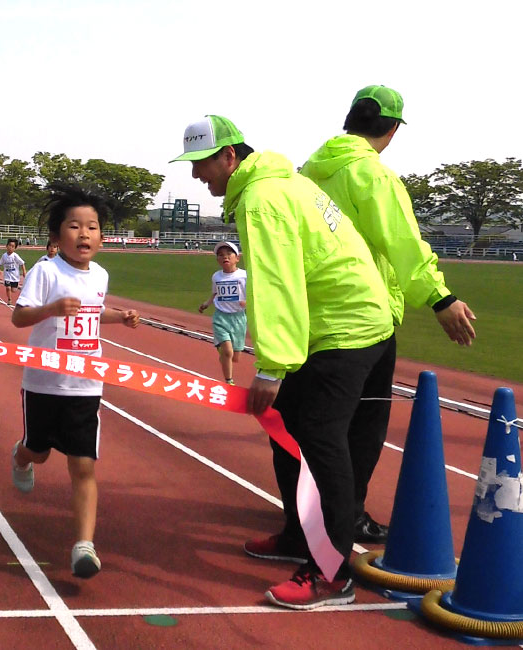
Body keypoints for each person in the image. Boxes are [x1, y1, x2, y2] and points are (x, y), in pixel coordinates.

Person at [173, 115, 393, 609]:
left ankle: (331, 572)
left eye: (202, 163)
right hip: (333, 323)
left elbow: (277, 284)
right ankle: (298, 534)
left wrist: (272, 368)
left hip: (345, 326)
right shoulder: (282, 182)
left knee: (320, 437)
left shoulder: (262, 199)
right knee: (285, 424)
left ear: (230, 156)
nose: (195, 175)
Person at [299, 85, 477, 543]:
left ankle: (306, 516)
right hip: (365, 315)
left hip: (311, 315)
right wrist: (440, 298)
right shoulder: (372, 175)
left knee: (316, 423)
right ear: (393, 129)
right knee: (362, 426)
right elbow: (402, 243)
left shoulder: (308, 172)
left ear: (349, 120)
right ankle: (343, 520)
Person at [10, 184, 140, 580]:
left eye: (92, 227)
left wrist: (120, 317)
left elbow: (93, 313)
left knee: (84, 465)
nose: (84, 234)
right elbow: (19, 317)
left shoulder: (100, 274)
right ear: (56, 235)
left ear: (101, 237)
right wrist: (50, 309)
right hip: (44, 383)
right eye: (74, 226)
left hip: (86, 385)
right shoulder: (46, 271)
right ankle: (21, 455)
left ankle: (84, 545)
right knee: (40, 452)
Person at [198, 241, 247, 385]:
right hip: (221, 317)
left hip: (239, 318)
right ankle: (229, 381)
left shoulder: (244, 275)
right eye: (220, 255)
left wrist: (247, 302)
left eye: (229, 254)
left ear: (237, 258)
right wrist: (207, 304)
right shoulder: (216, 277)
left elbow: (255, 293)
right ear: (217, 260)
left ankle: (224, 353)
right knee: (228, 352)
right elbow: (215, 293)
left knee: (235, 357)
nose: (225, 257)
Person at [0, 238, 26, 306]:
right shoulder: (4, 255)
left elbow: (22, 263)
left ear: (15, 248)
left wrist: (24, 271)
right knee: (8, 288)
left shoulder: (15, 256)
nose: (10, 247)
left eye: (13, 246)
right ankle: (9, 299)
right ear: (6, 246)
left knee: (14, 290)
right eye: (9, 245)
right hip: (7, 275)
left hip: (15, 276)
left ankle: (16, 289)